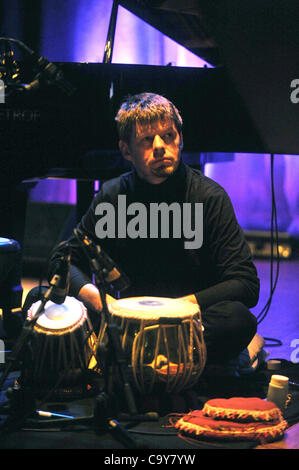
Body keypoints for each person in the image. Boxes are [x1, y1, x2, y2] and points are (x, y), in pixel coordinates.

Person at [48, 92, 259, 365]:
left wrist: (177, 308)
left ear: (180, 139)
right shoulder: (113, 197)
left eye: (169, 136)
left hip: (188, 321)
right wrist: (105, 303)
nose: (160, 146)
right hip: (124, 318)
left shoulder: (208, 197)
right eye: (147, 140)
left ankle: (132, 356)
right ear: (126, 150)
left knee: (237, 319)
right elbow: (61, 262)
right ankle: (159, 357)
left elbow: (245, 283)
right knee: (41, 301)